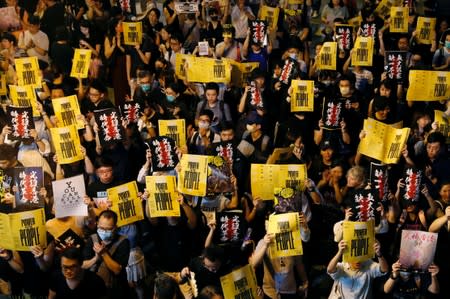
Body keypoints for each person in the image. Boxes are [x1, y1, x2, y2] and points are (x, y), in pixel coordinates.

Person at [82, 210, 131, 299]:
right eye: (101, 228)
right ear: (97, 224)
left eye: (108, 229)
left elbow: (117, 270)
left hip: (115, 288)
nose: (104, 232)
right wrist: (96, 258)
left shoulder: (123, 242)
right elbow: (83, 265)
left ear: (115, 227)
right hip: (94, 286)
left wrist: (104, 253)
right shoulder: (92, 239)